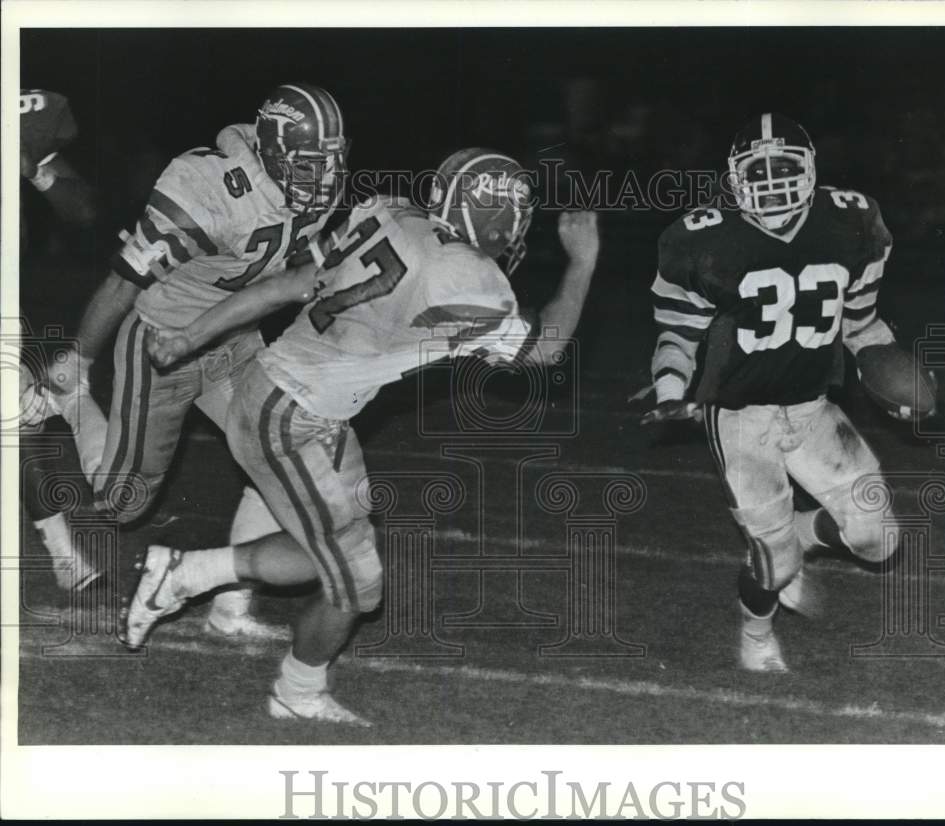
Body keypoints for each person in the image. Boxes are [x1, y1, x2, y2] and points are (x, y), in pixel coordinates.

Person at [125, 148, 600, 722]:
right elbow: (544, 350)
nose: (519, 223)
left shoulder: (391, 212)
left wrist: (188, 338)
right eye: (515, 210)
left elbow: (289, 284)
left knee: (336, 552)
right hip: (292, 416)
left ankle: (193, 579)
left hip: (290, 397)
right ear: (492, 212)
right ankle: (292, 689)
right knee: (355, 581)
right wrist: (583, 262)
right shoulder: (467, 276)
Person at [68, 83, 349, 636]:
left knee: (283, 452)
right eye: (311, 164)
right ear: (272, 151)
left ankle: (229, 609)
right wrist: (77, 362)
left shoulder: (314, 192)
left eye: (332, 162)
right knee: (122, 504)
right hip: (163, 346)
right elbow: (125, 282)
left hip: (238, 341)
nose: (325, 178)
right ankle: (71, 403)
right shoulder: (207, 185)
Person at [641, 114, 899, 672]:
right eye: (756, 170)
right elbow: (678, 332)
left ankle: (805, 533)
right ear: (733, 177)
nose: (771, 181)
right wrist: (669, 388)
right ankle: (756, 633)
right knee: (775, 563)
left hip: (812, 407)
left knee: (878, 538)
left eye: (783, 167)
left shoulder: (852, 221)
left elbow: (860, 322)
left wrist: (889, 367)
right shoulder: (703, 236)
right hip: (739, 416)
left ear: (809, 170)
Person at [19, 88, 102, 591]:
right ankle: (56, 400)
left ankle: (64, 556)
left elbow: (85, 210)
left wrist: (34, 171)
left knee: (17, 424)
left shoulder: (24, 117)